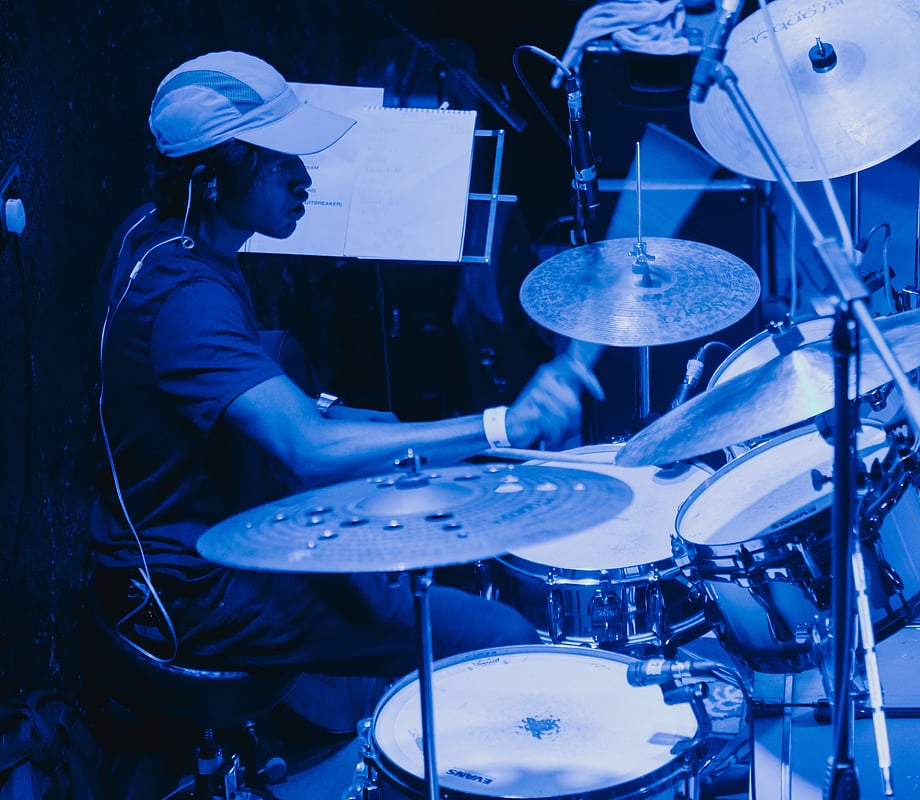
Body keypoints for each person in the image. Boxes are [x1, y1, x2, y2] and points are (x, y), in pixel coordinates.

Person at [89, 51, 598, 710]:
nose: (303, 179)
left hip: (177, 532)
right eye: (279, 166)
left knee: (364, 428)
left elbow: (252, 380)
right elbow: (309, 450)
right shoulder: (191, 302)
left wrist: (361, 427)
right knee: (503, 631)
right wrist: (507, 424)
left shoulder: (160, 234)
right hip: (195, 591)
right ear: (211, 182)